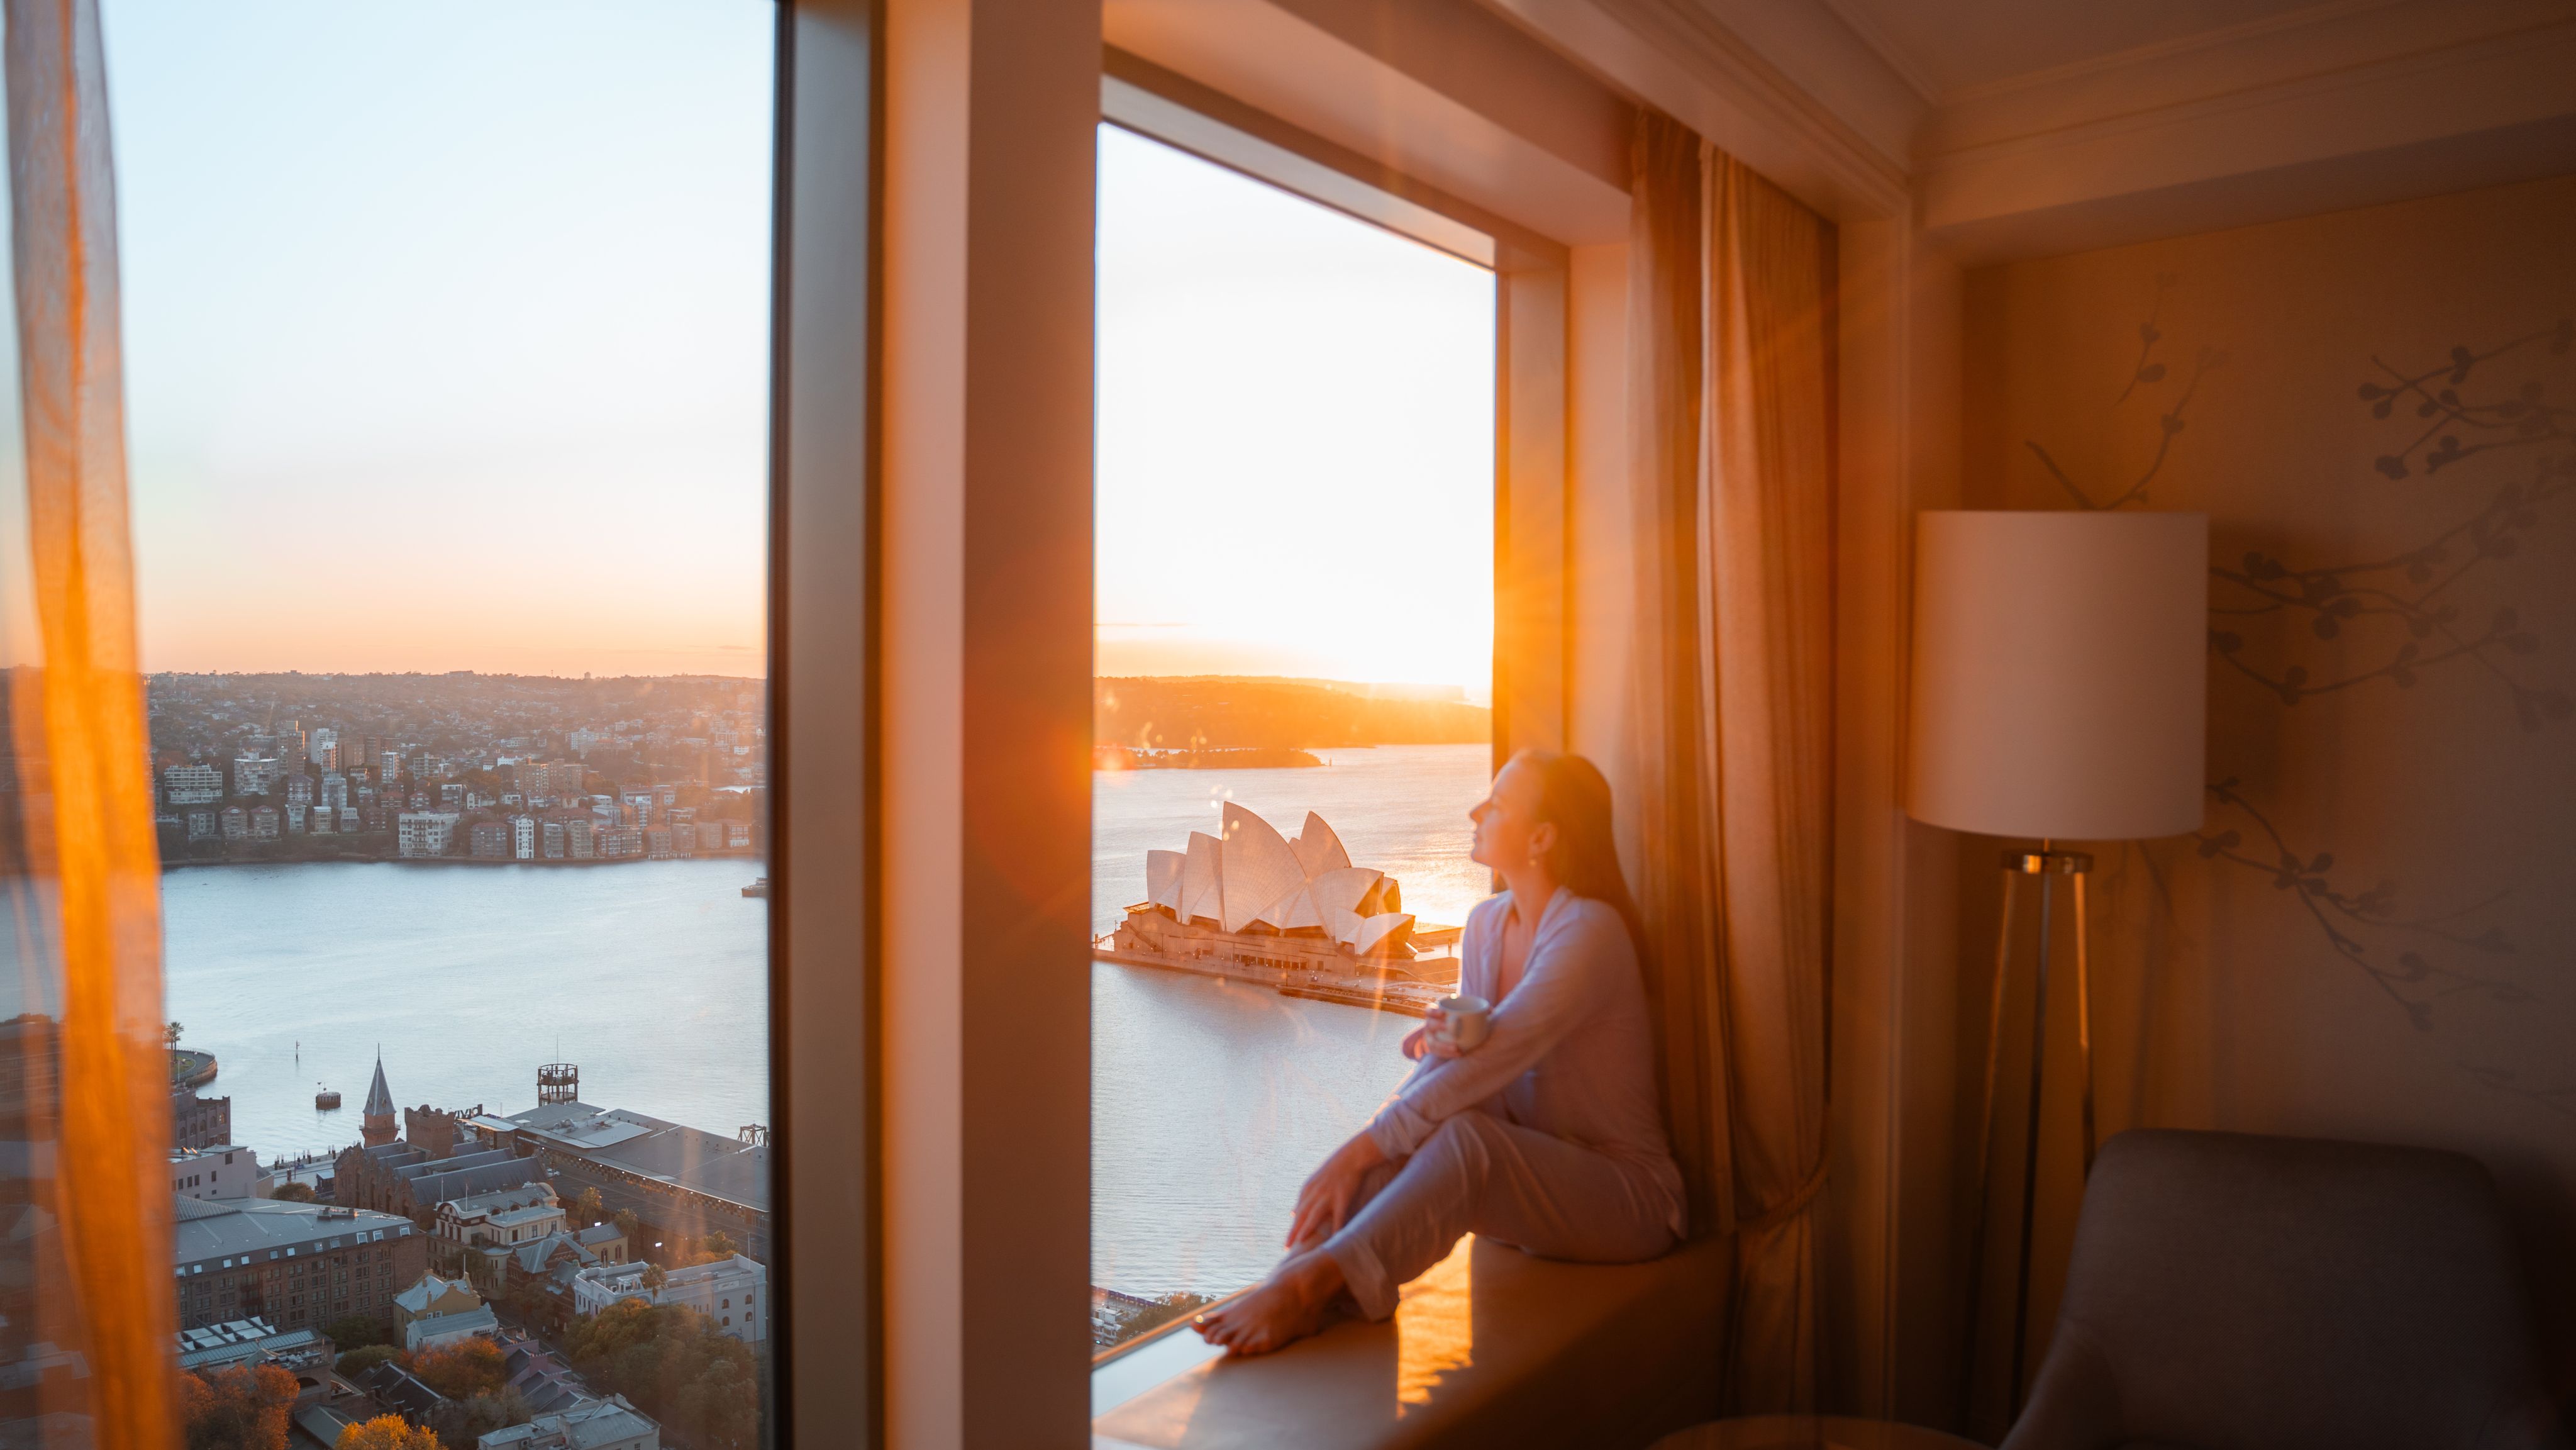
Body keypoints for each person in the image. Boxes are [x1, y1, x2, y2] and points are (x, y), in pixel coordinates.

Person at [1194, 750, 1685, 1355]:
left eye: (1497, 804)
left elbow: (1491, 1059)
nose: (1477, 811)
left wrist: (1358, 1149)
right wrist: (1370, 1148)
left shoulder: (1589, 933)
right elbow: (1453, 1069)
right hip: (1536, 1184)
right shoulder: (1485, 925)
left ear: (1542, 837)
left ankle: (1309, 1287)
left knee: (1464, 1139)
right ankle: (1292, 1271)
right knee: (1421, 1130)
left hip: (1629, 1201)